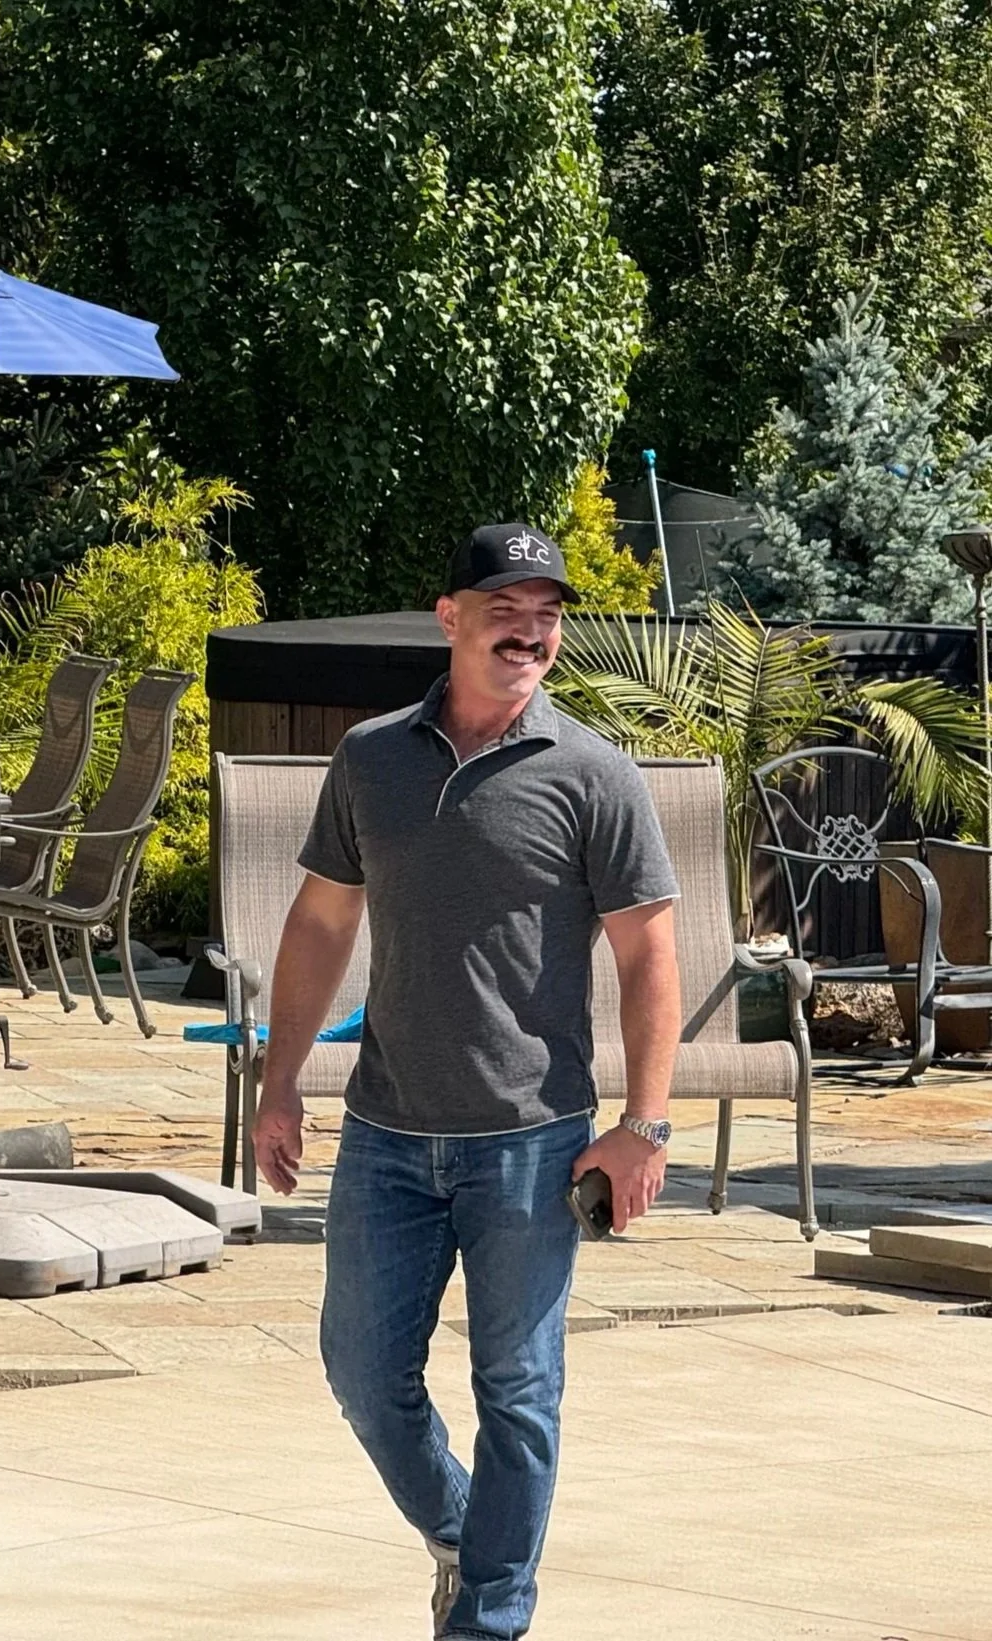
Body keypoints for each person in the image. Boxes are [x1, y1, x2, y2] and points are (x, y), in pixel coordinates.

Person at [252, 523, 681, 1640]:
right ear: (449, 618)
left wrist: (644, 1126)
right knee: (361, 1373)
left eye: (546, 614)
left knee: (518, 1393)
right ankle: (463, 1535)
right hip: (387, 1133)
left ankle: (488, 1618)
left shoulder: (593, 774)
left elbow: (648, 953)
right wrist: (280, 1080)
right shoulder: (370, 759)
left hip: (533, 1142)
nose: (528, 631)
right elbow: (321, 922)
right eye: (505, 609)